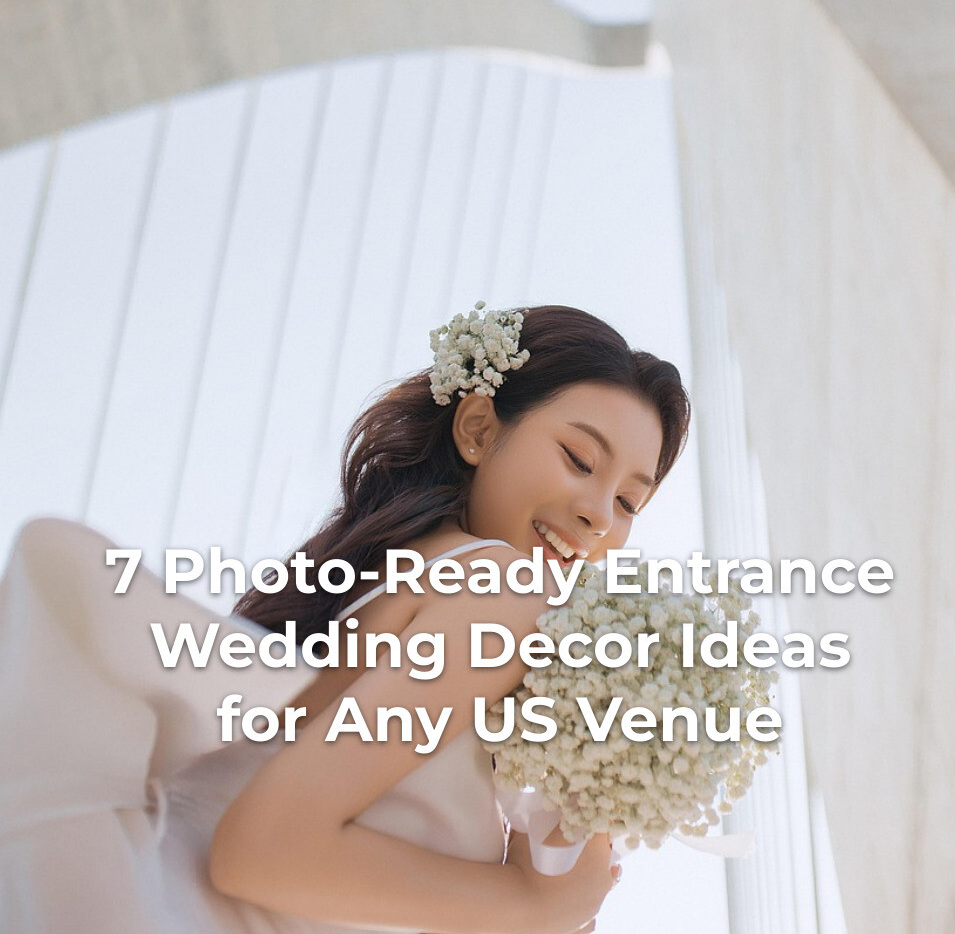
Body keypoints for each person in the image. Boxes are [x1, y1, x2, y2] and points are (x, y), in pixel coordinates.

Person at [0, 303, 690, 933]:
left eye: (628, 503)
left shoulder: (412, 575)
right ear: (479, 429)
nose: (598, 516)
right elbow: (263, 854)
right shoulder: (503, 588)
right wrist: (533, 904)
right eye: (579, 460)